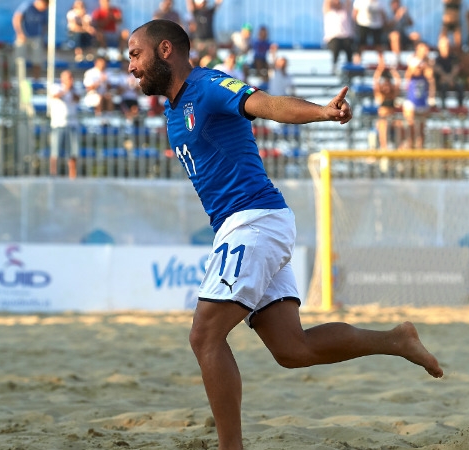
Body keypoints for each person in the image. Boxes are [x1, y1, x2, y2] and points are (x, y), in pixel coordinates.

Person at [127, 19, 443, 450]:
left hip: (253, 221)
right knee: (293, 350)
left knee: (204, 336)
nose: (130, 66)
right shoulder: (173, 107)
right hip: (246, 226)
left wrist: (323, 112)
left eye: (135, 54)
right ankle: (397, 340)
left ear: (165, 50)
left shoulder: (208, 86)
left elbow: (269, 105)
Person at [49, 70, 81, 179]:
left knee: (73, 153)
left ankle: (72, 177)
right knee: (55, 152)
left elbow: (77, 99)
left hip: (72, 125)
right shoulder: (56, 87)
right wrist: (66, 89)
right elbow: (56, 96)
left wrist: (70, 89)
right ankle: (53, 176)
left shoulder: (75, 90)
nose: (70, 80)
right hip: (58, 124)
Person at [12, 0, 49, 80]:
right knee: (20, 59)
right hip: (23, 36)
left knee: (37, 60)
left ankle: (36, 80)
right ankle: (20, 80)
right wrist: (20, 33)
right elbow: (17, 18)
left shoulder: (45, 11)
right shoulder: (27, 6)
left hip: (36, 37)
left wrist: (42, 37)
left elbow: (45, 25)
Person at [372, 60, 401, 150]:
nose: (387, 86)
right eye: (385, 84)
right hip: (383, 118)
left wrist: (394, 72)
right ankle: (384, 147)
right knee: (383, 125)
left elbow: (398, 82)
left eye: (389, 84)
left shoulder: (393, 95)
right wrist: (379, 70)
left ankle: (399, 148)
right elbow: (375, 82)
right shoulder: (380, 96)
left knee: (400, 124)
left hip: (392, 119)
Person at [323, 0, 355, 75]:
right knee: (336, 45)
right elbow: (327, 3)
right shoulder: (329, 11)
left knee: (349, 47)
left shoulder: (345, 12)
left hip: (345, 37)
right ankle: (334, 65)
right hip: (333, 38)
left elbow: (348, 3)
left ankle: (349, 68)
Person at [386, 0, 415, 68]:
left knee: (415, 36)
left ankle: (417, 58)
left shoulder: (403, 15)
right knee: (395, 35)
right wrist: (397, 16)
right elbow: (387, 26)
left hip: (403, 35)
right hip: (390, 37)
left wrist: (406, 15)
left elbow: (411, 23)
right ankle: (397, 59)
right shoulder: (389, 14)